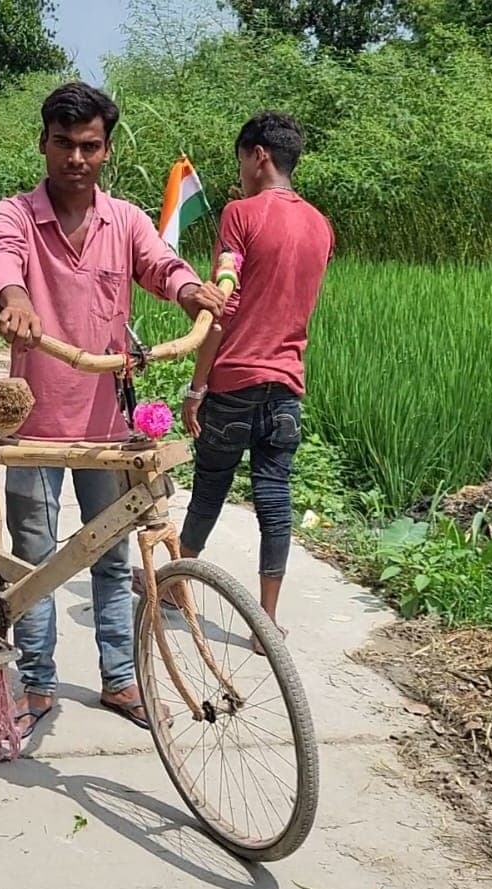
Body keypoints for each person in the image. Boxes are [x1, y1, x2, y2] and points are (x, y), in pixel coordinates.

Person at [0, 81, 227, 739]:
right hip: (32, 424)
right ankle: (35, 682)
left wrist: (189, 291)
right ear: (43, 144)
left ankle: (119, 678)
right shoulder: (14, 215)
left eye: (89, 145)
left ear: (106, 150)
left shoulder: (125, 221)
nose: (76, 158)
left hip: (106, 425)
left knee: (112, 557)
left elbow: (160, 264)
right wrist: (16, 300)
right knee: (32, 560)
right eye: (64, 144)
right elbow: (0, 258)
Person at [175, 110, 335, 655]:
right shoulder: (320, 224)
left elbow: (224, 304)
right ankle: (266, 620)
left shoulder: (241, 215)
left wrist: (197, 387)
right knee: (274, 496)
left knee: (210, 488)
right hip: (287, 385)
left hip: (235, 383)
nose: (239, 171)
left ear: (259, 155)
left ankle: (175, 587)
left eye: (241, 159)